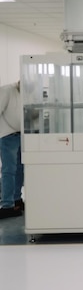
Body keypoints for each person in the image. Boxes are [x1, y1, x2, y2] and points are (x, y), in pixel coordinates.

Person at [0, 81, 23, 219]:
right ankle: (7, 205)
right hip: (8, 135)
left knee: (20, 169)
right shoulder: (7, 91)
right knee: (9, 170)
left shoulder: (28, 93)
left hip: (23, 135)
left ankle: (16, 199)